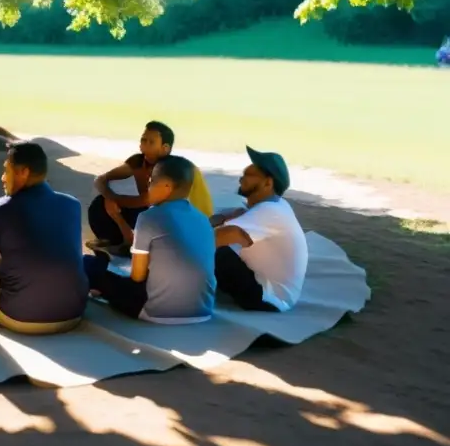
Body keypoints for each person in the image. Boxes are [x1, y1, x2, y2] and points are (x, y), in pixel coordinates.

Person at [0, 141, 89, 335]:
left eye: (7, 170)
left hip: (18, 316)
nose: (3, 177)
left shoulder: (1, 209)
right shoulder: (73, 205)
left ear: (23, 172)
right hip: (73, 314)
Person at [84, 156, 216, 323]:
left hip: (156, 311)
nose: (148, 185)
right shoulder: (203, 219)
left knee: (88, 264)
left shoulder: (149, 217)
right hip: (203, 311)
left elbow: (137, 277)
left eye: (152, 181)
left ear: (167, 187)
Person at [88, 121, 214, 257]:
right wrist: (109, 198)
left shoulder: (170, 168)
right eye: (143, 139)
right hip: (156, 211)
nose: (144, 144)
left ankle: (133, 246)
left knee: (124, 209)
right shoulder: (138, 162)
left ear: (165, 148)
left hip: (185, 218)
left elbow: (146, 200)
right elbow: (101, 179)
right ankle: (116, 241)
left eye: (151, 142)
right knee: (99, 204)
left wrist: (115, 206)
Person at [212, 147, 308, 312]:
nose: (241, 179)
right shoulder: (276, 205)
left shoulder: (270, 212)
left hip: (268, 298)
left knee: (206, 250)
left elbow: (222, 236)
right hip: (275, 293)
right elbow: (218, 221)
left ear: (268, 183)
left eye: (249, 175)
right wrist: (220, 219)